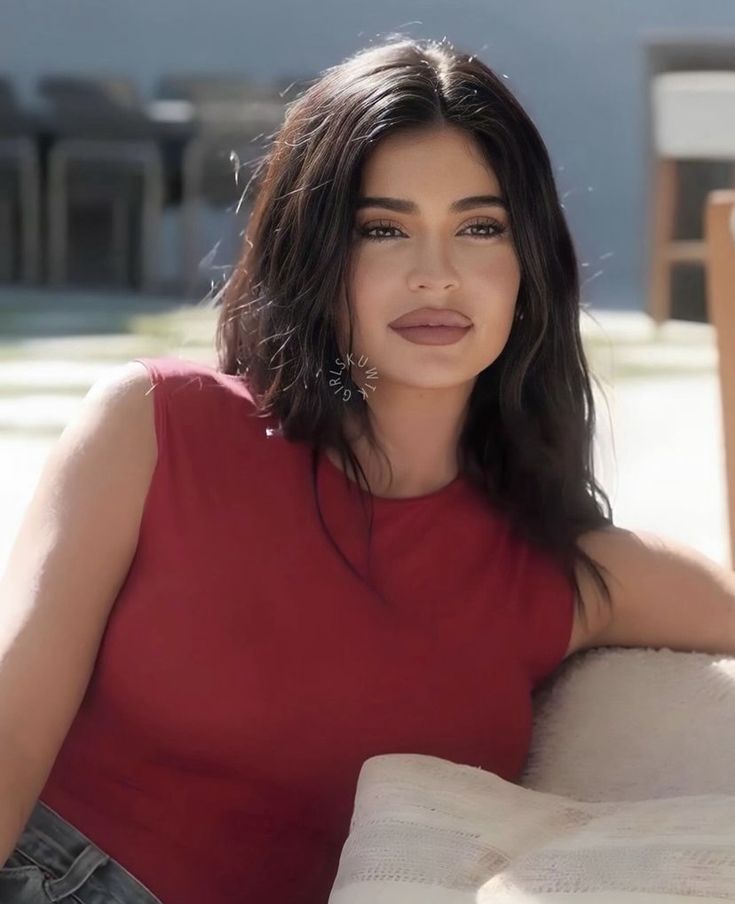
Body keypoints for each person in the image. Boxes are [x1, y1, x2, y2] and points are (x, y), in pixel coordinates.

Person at [2, 35, 735, 904]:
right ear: (317, 257)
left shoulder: (565, 570)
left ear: (526, 267)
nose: (436, 275)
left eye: (478, 227)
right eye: (383, 229)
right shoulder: (157, 426)